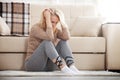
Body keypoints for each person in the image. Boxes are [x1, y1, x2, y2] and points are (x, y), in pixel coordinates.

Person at [24, 8, 79, 74]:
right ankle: (62, 67)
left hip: (48, 66)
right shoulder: (35, 28)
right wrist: (47, 19)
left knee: (63, 41)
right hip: (33, 65)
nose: (54, 25)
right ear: (45, 20)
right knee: (46, 42)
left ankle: (71, 66)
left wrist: (63, 22)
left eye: (56, 22)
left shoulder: (55, 30)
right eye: (52, 22)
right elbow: (49, 37)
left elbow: (66, 37)